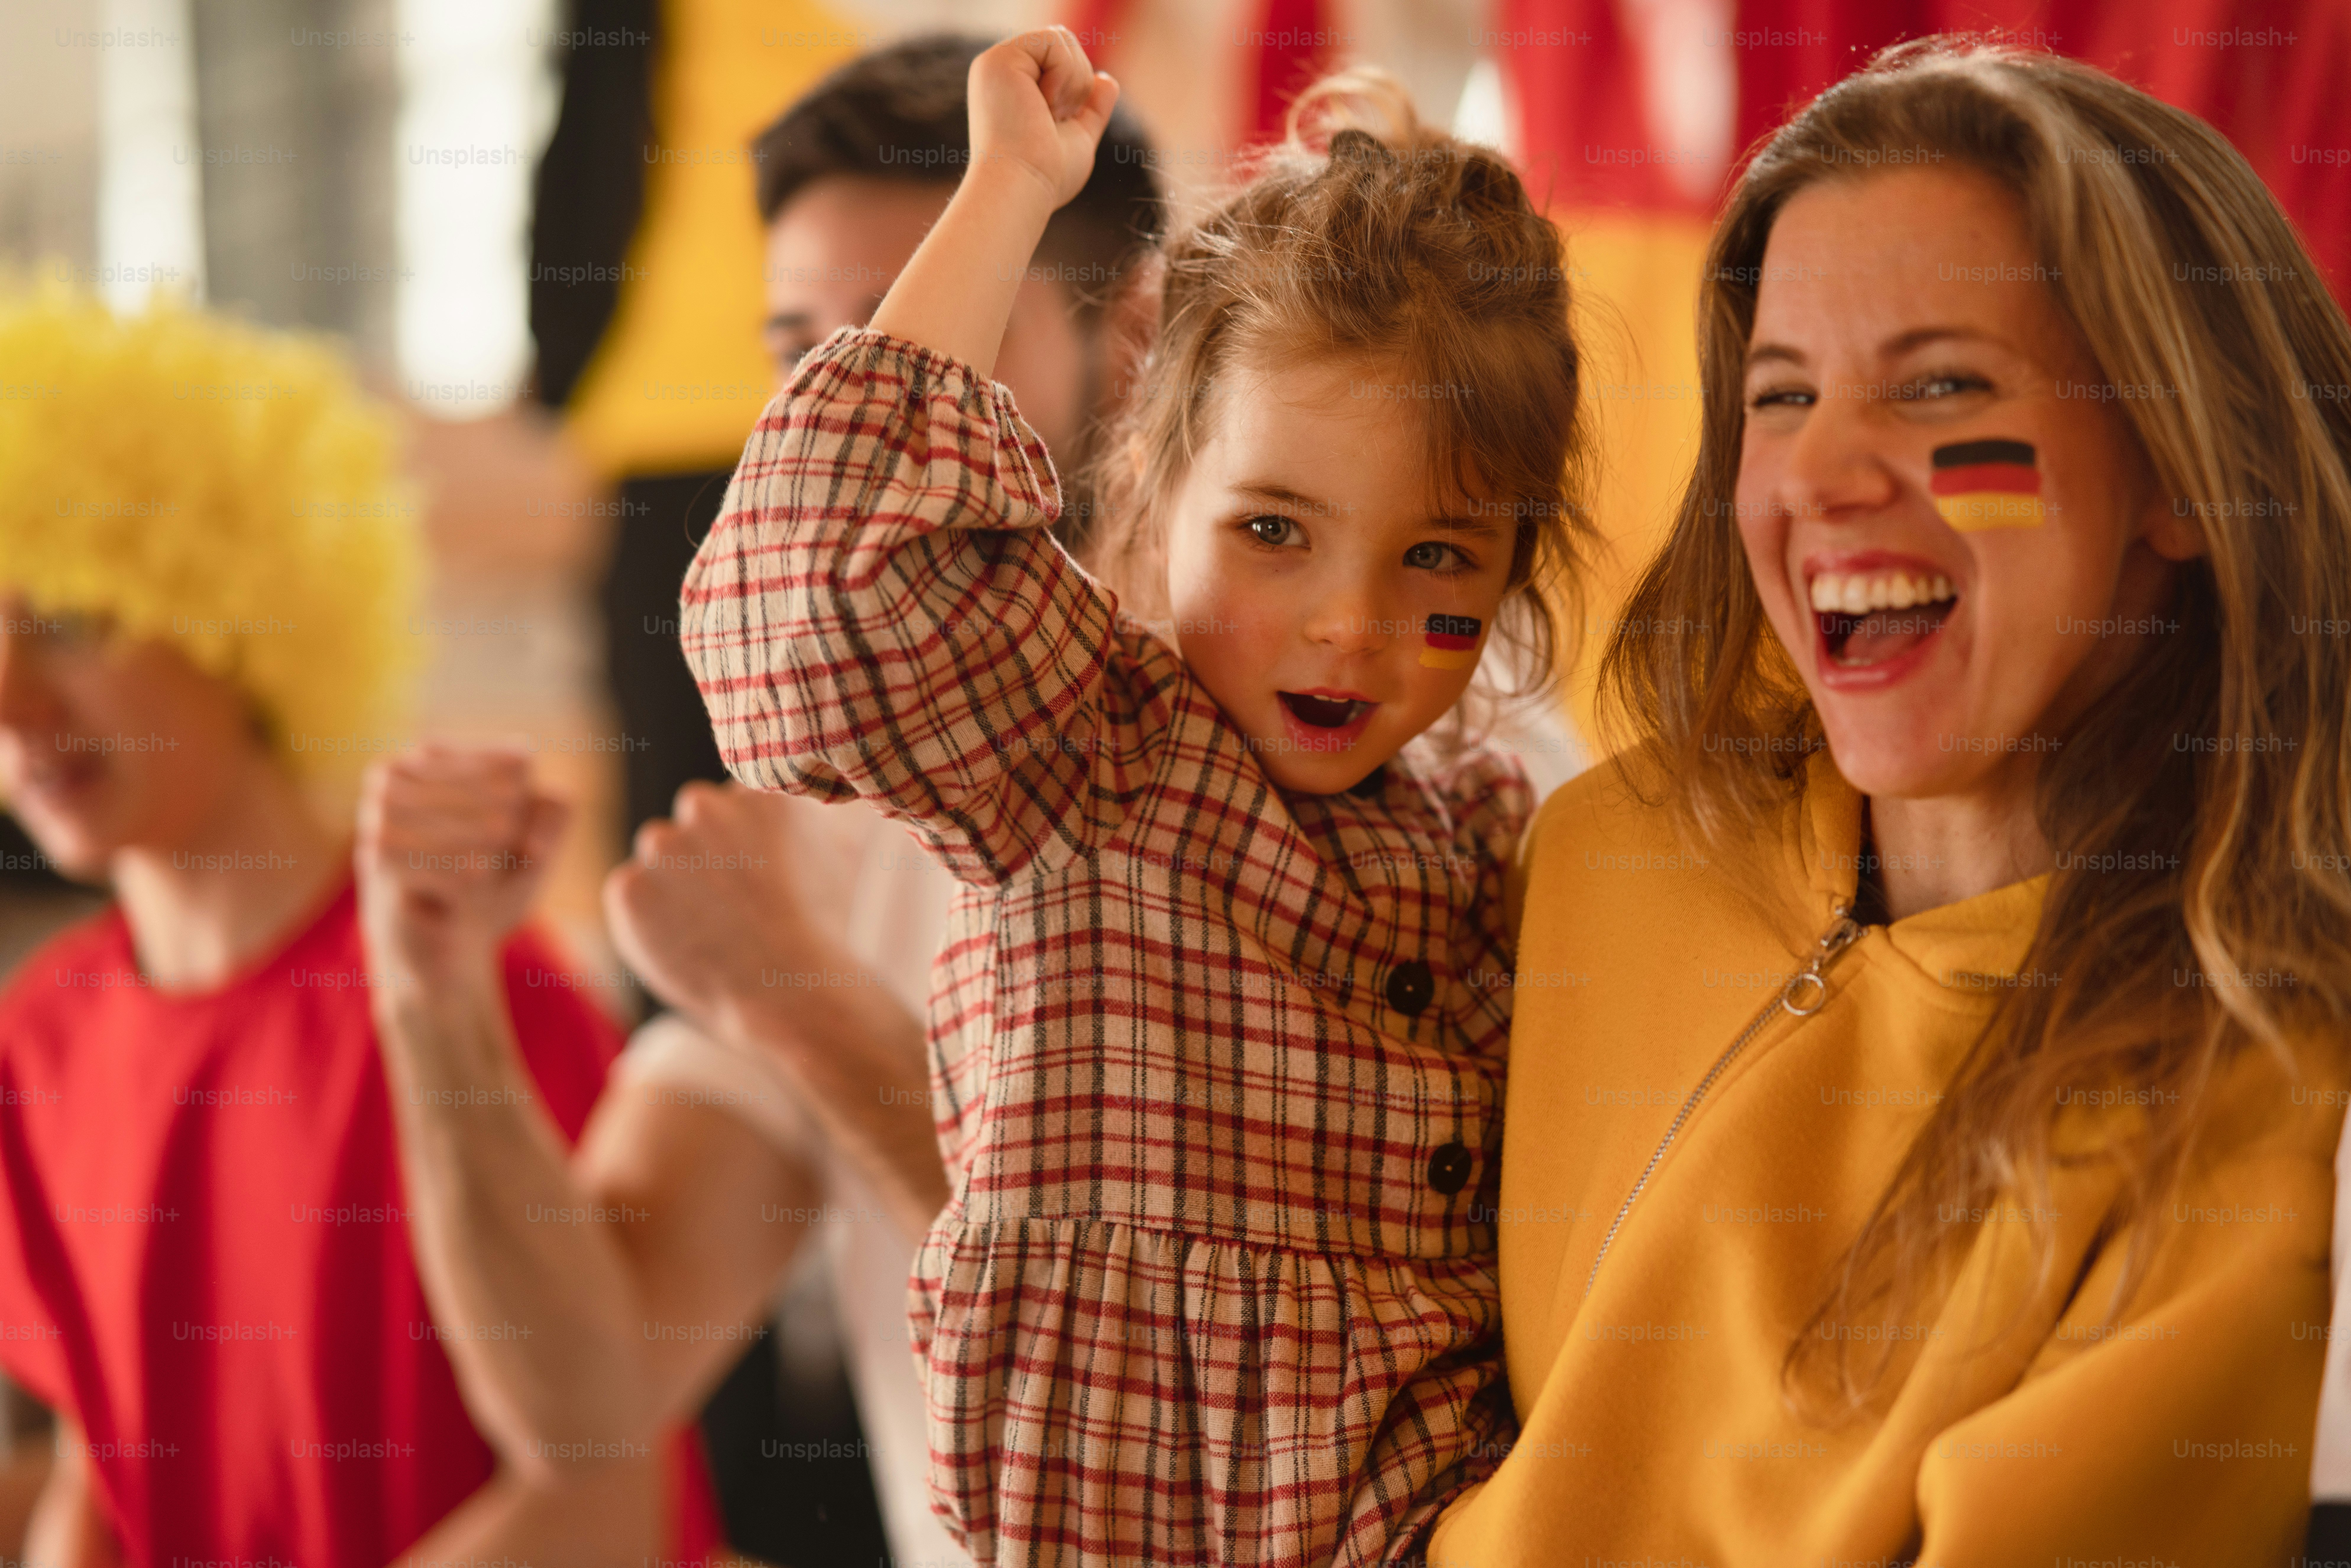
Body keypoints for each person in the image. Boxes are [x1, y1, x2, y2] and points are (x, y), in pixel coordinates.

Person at [1421, 39, 2351, 1565]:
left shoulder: (2270, 1061)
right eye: (1780, 396)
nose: (1822, 473)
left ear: (2184, 470)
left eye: (1942, 386)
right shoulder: (1588, 860)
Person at [680, 24, 1591, 1565]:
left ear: (1514, 567)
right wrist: (1007, 194)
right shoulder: (1077, 745)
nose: (1346, 628)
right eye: (1275, 530)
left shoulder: (1508, 839)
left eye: (1436, 555)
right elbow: (810, 589)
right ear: (1161, 479)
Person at [360, 34, 1168, 1568]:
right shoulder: (820, 809)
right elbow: (591, 1394)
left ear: (1132, 338)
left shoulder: (1335, 721)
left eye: (909, 323)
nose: (834, 420)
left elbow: (1206, 1345)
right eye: (801, 349)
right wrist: (431, 987)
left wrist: (802, 1006)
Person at [0, 288, 721, 1565]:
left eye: (67, 621)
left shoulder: (472, 992)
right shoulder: (40, 1041)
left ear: (230, 599)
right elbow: (95, 1466)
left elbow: (607, 1497)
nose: (11, 702)